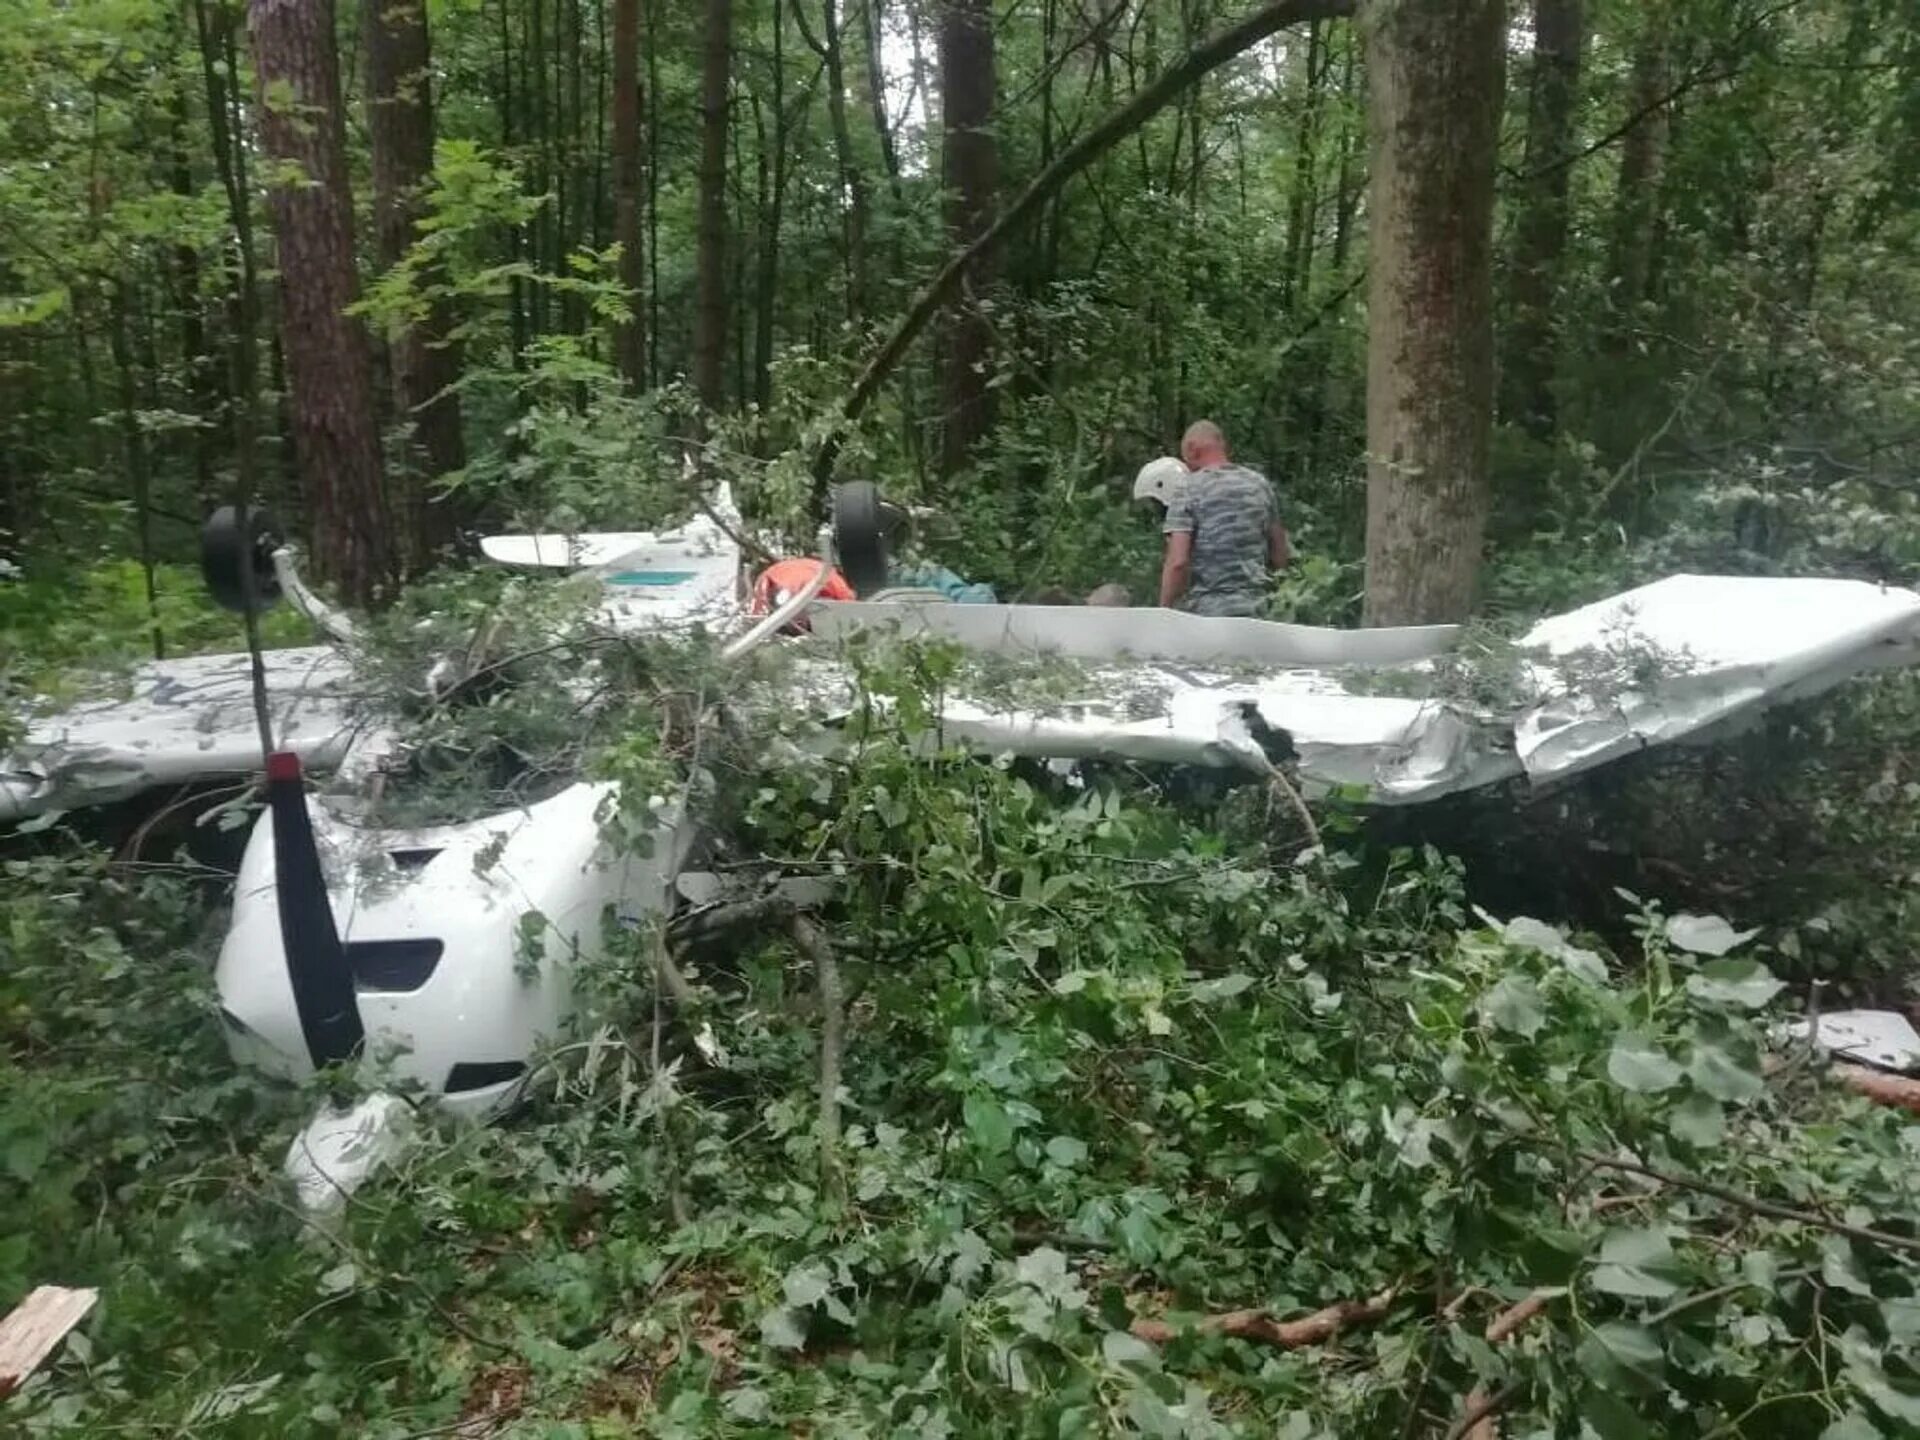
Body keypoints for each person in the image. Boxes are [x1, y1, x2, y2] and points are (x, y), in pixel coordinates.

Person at [1157, 420, 1289, 616]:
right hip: (1258, 608)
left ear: (1192, 449)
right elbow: (1279, 554)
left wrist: (1163, 610)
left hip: (1209, 612)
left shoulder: (1187, 489)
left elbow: (1178, 563)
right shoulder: (1259, 484)